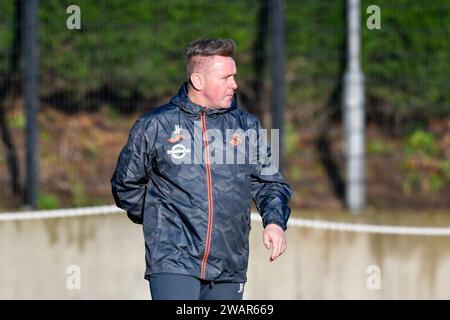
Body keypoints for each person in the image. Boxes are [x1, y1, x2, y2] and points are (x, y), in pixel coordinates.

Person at [111, 38, 292, 300]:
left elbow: (269, 182)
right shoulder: (155, 125)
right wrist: (160, 219)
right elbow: (125, 185)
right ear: (198, 81)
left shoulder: (247, 126)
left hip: (230, 263)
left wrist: (274, 222)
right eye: (226, 77)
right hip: (172, 260)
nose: (235, 84)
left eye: (234, 76)